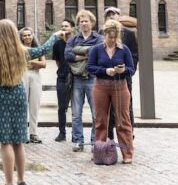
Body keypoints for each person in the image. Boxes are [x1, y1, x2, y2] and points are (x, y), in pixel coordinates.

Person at [0, 20, 63, 185]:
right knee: (18, 140)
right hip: (18, 95)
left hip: (1, 97)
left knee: (5, 142)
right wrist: (54, 37)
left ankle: (8, 184)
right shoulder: (23, 51)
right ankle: (21, 181)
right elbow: (42, 50)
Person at [88, 19, 136, 164]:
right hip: (101, 86)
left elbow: (131, 69)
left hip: (120, 86)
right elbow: (90, 67)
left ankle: (127, 152)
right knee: (101, 120)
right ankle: (99, 151)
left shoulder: (123, 50)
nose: (112, 40)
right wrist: (104, 70)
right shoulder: (96, 49)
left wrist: (123, 70)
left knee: (123, 120)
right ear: (105, 35)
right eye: (110, 36)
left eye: (115, 37)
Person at [65, 10, 102, 152]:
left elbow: (98, 52)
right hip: (77, 79)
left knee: (95, 113)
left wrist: (79, 51)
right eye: (81, 21)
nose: (84, 23)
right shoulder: (73, 39)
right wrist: (86, 55)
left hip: (93, 79)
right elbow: (68, 55)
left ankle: (94, 142)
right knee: (76, 113)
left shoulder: (98, 38)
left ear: (92, 23)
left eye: (86, 21)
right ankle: (79, 141)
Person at [103, 6, 138, 139]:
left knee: (127, 105)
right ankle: (110, 134)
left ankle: (129, 132)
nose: (111, 16)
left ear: (119, 16)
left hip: (124, 76)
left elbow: (135, 55)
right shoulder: (102, 33)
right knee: (109, 106)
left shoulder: (128, 34)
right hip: (107, 77)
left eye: (114, 14)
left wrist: (129, 71)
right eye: (109, 14)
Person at [19, 27, 46, 144]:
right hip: (22, 76)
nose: (27, 37)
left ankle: (33, 133)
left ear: (32, 36)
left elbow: (44, 64)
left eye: (29, 35)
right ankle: (22, 133)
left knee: (34, 105)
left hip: (35, 76)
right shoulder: (19, 49)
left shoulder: (38, 49)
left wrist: (33, 63)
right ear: (21, 37)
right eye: (24, 35)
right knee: (22, 105)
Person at [50, 18, 74, 142]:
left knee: (75, 107)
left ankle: (75, 134)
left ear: (72, 28)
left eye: (66, 26)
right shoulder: (58, 44)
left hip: (75, 78)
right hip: (62, 78)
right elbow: (58, 61)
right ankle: (62, 132)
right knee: (62, 107)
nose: (64, 28)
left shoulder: (76, 42)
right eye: (62, 26)